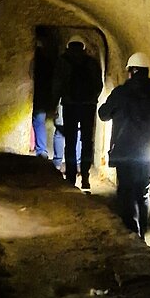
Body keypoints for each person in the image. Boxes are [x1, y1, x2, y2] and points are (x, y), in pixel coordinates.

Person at [98, 53, 150, 238]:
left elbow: (103, 114)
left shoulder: (121, 93)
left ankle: (130, 233)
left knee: (126, 193)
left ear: (131, 71)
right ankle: (142, 234)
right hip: (149, 154)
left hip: (125, 152)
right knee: (143, 193)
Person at [53, 37, 103, 191]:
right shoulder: (91, 62)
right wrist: (92, 98)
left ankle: (71, 177)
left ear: (68, 46)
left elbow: (57, 84)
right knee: (87, 141)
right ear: (83, 47)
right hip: (88, 106)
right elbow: (98, 85)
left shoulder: (63, 61)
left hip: (70, 105)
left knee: (71, 141)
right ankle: (86, 177)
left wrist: (56, 101)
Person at [29, 33, 57, 159]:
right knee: (39, 122)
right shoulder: (47, 62)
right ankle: (41, 150)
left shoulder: (32, 61)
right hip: (42, 97)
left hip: (34, 96)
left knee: (36, 121)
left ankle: (35, 147)